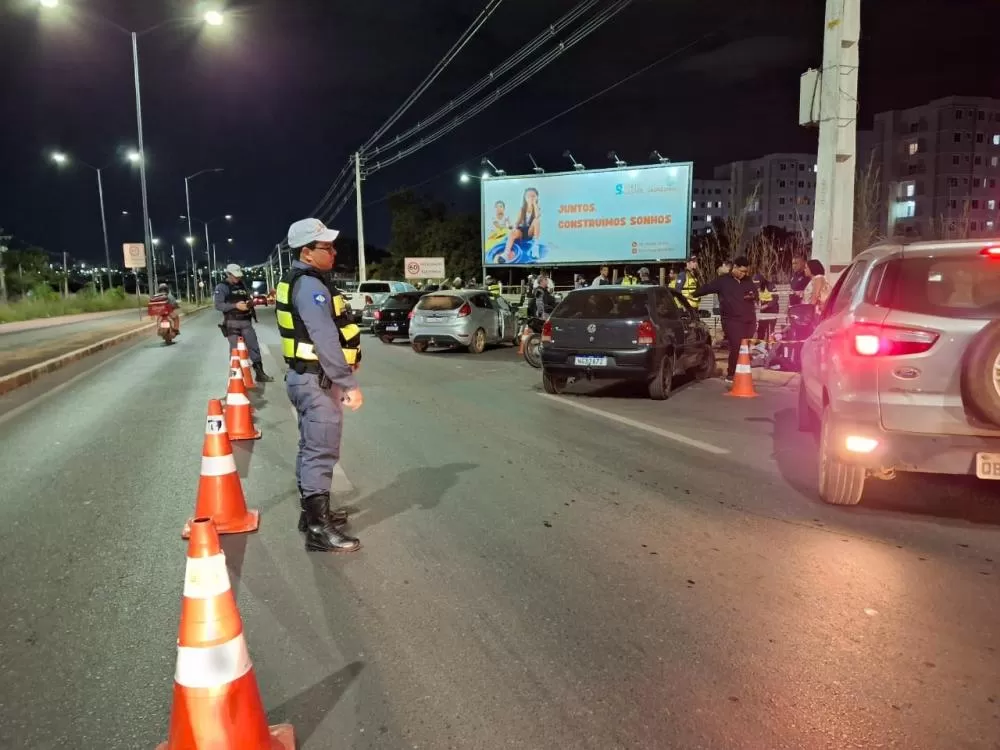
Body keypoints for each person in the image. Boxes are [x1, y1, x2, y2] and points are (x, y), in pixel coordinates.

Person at [275, 218, 364, 554]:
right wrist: (348, 383)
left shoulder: (301, 280)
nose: (333, 251)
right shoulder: (311, 286)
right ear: (307, 253)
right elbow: (325, 338)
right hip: (316, 381)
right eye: (326, 246)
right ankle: (318, 530)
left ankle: (311, 515)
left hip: (303, 378)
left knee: (309, 448)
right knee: (321, 451)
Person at [694, 256, 758, 385]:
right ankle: (731, 373)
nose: (743, 274)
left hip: (748, 320)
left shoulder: (748, 281)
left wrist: (751, 296)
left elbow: (755, 294)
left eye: (745, 272)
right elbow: (706, 288)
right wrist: (692, 294)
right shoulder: (723, 281)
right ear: (734, 267)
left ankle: (742, 372)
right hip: (731, 320)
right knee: (736, 345)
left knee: (744, 347)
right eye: (741, 271)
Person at [214, 263, 274, 383]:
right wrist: (235, 305)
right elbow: (218, 305)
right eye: (235, 276)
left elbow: (248, 299)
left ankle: (260, 373)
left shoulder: (242, 285)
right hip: (232, 323)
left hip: (246, 321)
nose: (238, 278)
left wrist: (250, 303)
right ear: (228, 274)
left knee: (254, 347)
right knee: (235, 351)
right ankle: (235, 377)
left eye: (239, 276)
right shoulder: (222, 287)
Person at [752, 272, 779, 341]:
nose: (757, 286)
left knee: (770, 330)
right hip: (763, 308)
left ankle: (770, 348)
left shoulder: (770, 285)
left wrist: (767, 305)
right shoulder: (756, 286)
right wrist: (756, 302)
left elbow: (776, 298)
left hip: (773, 309)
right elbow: (756, 296)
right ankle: (759, 346)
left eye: (758, 284)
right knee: (761, 328)